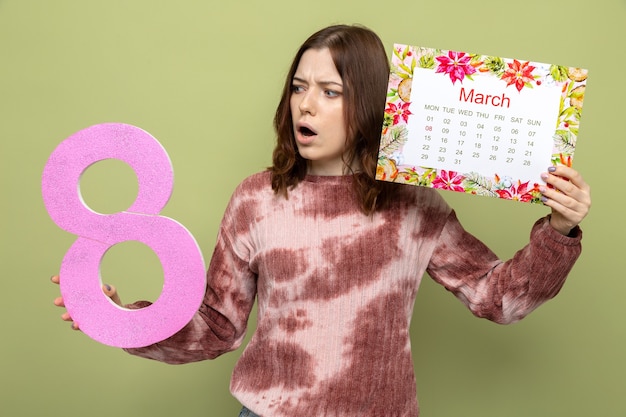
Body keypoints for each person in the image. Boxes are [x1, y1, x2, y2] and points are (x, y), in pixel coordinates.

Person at [51, 24, 591, 417]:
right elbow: (216, 326)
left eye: (330, 92)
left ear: (369, 105)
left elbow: (498, 299)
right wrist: (118, 316)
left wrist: (559, 230)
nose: (306, 106)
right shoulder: (256, 198)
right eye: (299, 86)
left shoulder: (413, 206)